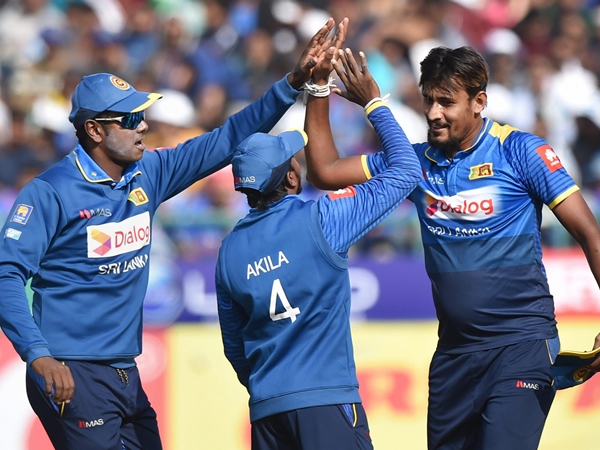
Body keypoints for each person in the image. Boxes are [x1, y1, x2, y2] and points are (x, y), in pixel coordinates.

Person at [0, 17, 346, 450]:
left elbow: (227, 138)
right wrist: (38, 354)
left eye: (142, 115)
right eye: (130, 119)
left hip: (124, 371)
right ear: (94, 130)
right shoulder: (50, 192)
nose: (143, 125)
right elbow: (6, 274)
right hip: (70, 369)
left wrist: (292, 83)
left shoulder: (149, 172)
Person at [302, 45, 600, 450]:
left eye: (446, 102)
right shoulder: (414, 164)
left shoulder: (521, 151)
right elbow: (324, 171)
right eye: (428, 100)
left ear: (479, 102)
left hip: (521, 346)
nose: (433, 113)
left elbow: (590, 234)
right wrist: (318, 87)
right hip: (454, 357)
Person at [215, 48, 421, 450]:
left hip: (267, 410)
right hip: (325, 401)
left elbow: (235, 347)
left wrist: (271, 388)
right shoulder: (322, 219)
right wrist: (374, 103)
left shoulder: (228, 252)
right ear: (292, 178)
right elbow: (407, 171)